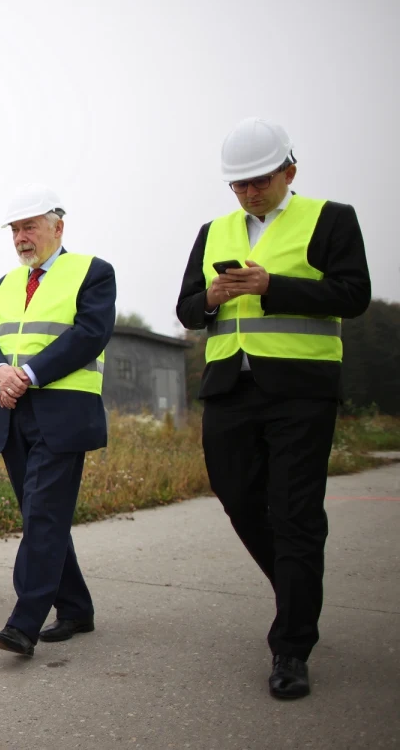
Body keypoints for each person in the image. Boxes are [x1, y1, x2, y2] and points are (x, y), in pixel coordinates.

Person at [175, 118, 371, 699]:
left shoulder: (333, 218)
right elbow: (187, 308)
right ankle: (297, 591)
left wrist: (272, 286)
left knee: (294, 514)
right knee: (238, 498)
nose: (248, 192)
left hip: (300, 390)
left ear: (289, 169)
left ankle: (291, 647)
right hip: (229, 387)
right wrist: (209, 298)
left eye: (258, 180)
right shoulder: (213, 230)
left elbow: (352, 294)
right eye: (238, 185)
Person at [0, 184, 115, 657]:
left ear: (58, 226)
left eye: (29, 227)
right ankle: (75, 608)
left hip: (62, 412)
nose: (21, 237)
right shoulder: (5, 284)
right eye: (15, 229)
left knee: (41, 515)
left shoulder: (92, 272)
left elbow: (89, 334)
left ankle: (24, 623)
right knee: (44, 517)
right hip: (13, 414)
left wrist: (28, 375)